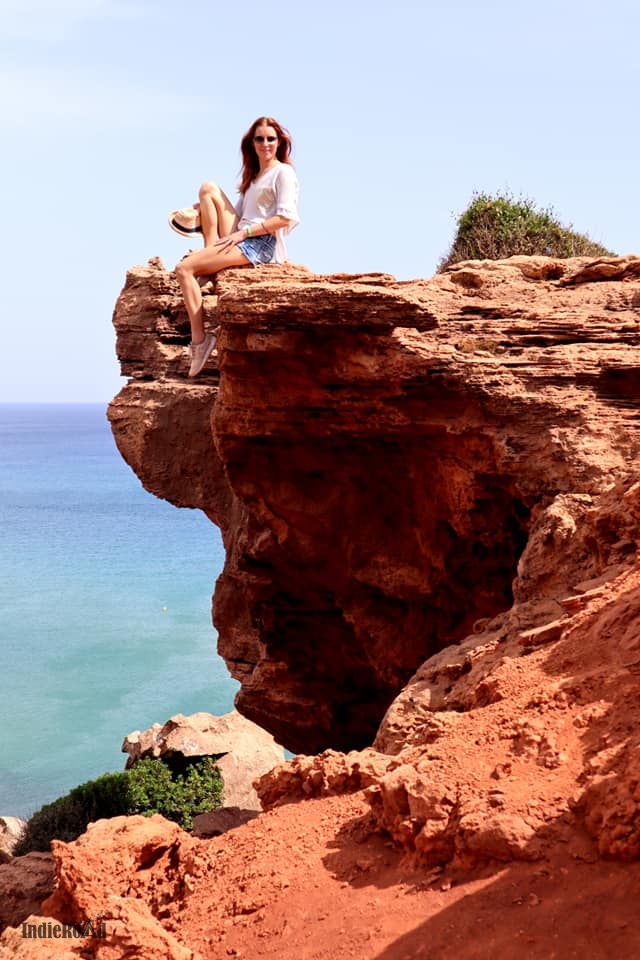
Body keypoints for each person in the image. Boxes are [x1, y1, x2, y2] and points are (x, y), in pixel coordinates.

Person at [174, 116, 300, 377]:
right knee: (208, 188)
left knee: (184, 269)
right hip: (244, 233)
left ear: (279, 143)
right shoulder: (254, 177)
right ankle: (209, 261)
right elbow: (237, 214)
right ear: (251, 143)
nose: (265, 143)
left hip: (261, 243)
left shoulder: (283, 172)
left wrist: (245, 234)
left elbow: (285, 218)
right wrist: (203, 209)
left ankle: (200, 342)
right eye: (259, 138)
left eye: (270, 139)